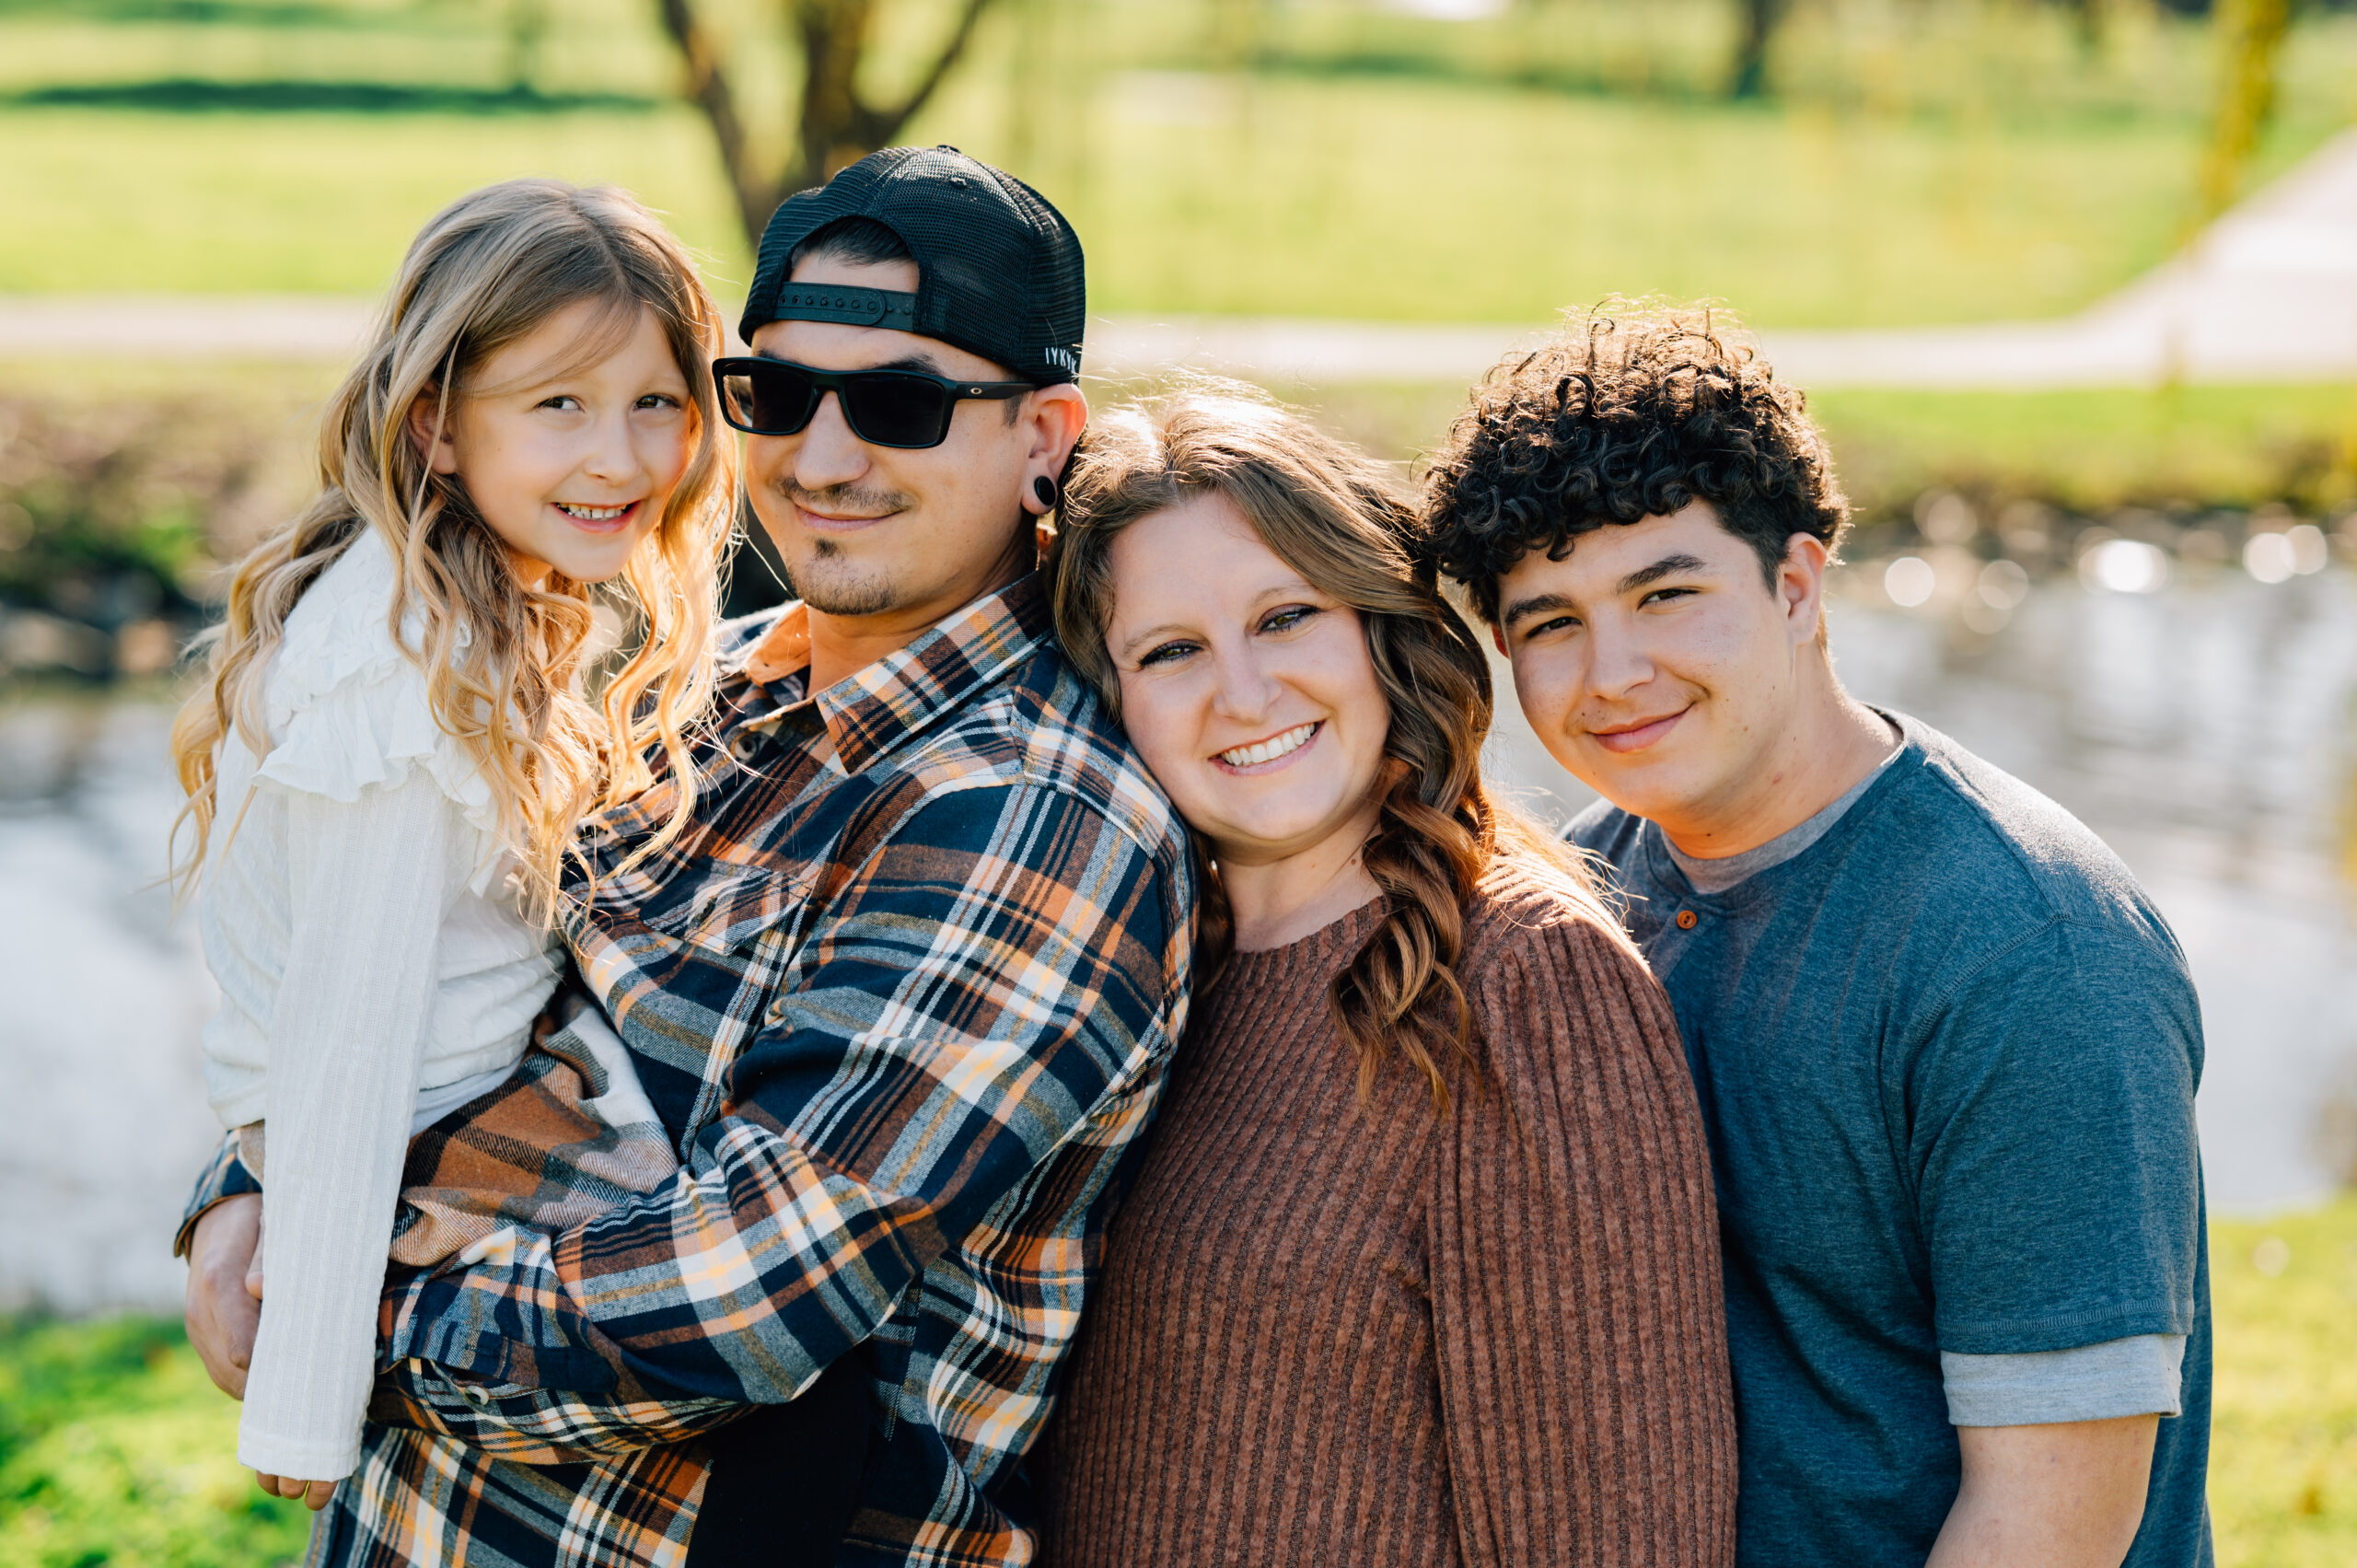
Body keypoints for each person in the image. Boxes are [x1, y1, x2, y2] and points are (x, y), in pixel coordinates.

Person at [176, 146, 1195, 1568]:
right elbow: (419, 978)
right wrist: (248, 1183)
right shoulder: (689, 690)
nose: (823, 458)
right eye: (776, 394)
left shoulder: (1027, 814)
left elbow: (739, 1304)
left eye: (901, 403)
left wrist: (334, 1302)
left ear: (1044, 433)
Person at [1421, 306, 2212, 1567]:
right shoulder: (1588, 890)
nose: (1612, 670)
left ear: (1797, 584)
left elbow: (2053, 1517)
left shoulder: (2028, 949)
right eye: (1551, 621)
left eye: (1665, 593)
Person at [1035, 389, 1737, 1566]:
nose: (1243, 692)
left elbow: (1626, 1537)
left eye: (1286, 617)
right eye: (1171, 651)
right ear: (1112, 700)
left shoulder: (1525, 983)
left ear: (1378, 626)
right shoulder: (1138, 970)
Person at [168, 178, 731, 1507]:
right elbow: (346, 1036)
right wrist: (304, 1404)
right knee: (782, 1332)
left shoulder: (460, 598)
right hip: (447, 1142)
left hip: (481, 1102)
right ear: (435, 423)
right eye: (559, 406)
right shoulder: (403, 675)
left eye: (657, 401)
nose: (622, 457)